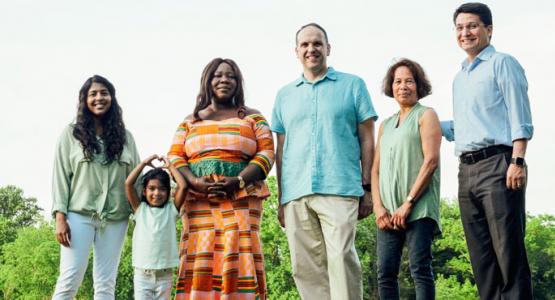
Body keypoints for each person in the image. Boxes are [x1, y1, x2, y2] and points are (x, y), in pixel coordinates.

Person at [271, 23, 377, 299]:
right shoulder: (284, 95)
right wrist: (282, 199)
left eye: (317, 43)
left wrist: (368, 188)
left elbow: (367, 138)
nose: (311, 49)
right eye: (305, 45)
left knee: (341, 259)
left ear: (328, 48)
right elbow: (280, 150)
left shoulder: (353, 85)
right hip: (296, 193)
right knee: (305, 269)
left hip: (340, 187)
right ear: (296, 51)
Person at [444, 3, 534, 299]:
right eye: (459, 27)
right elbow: (467, 125)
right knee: (481, 258)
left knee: (508, 250)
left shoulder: (502, 63)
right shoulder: (460, 77)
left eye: (472, 26)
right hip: (465, 171)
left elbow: (519, 115)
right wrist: (425, 121)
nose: (465, 33)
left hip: (500, 164)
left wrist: (517, 160)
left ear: (488, 30)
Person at [168, 58, 274, 299]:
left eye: (231, 76)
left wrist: (237, 181)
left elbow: (267, 152)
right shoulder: (191, 120)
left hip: (242, 197)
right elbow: (174, 155)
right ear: (207, 80)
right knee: (201, 257)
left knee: (239, 253)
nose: (224, 80)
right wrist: (194, 182)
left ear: (238, 83)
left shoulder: (252, 117)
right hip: (199, 201)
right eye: (218, 75)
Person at [51, 75, 140, 299]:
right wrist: (60, 218)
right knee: (70, 278)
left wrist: (143, 215)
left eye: (104, 93)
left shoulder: (125, 138)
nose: (99, 98)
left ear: (112, 98)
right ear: (84, 100)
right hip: (79, 215)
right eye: (93, 94)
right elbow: (60, 176)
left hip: (115, 217)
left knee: (106, 282)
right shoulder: (70, 134)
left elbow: (136, 177)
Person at [372, 59, 441, 299]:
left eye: (409, 81)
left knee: (419, 269)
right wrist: (379, 207)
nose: (403, 86)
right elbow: (375, 170)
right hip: (388, 212)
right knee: (385, 273)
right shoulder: (385, 125)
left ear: (418, 85)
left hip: (418, 208)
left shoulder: (427, 115)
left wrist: (408, 202)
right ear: (391, 87)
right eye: (398, 81)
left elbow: (431, 161)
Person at [125, 155, 186, 300]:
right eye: (151, 188)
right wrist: (144, 163)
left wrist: (170, 166)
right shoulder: (140, 210)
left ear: (168, 191)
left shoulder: (171, 210)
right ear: (144, 191)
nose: (157, 193)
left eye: (162, 189)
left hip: (165, 276)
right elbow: (128, 184)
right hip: (142, 275)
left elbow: (183, 186)